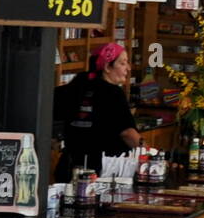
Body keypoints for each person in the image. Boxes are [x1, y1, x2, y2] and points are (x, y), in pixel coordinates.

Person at [53, 42, 140, 182]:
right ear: (107, 67)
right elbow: (127, 133)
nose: (128, 68)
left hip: (69, 167)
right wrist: (149, 154)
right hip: (101, 171)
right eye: (123, 63)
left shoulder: (76, 85)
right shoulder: (113, 93)